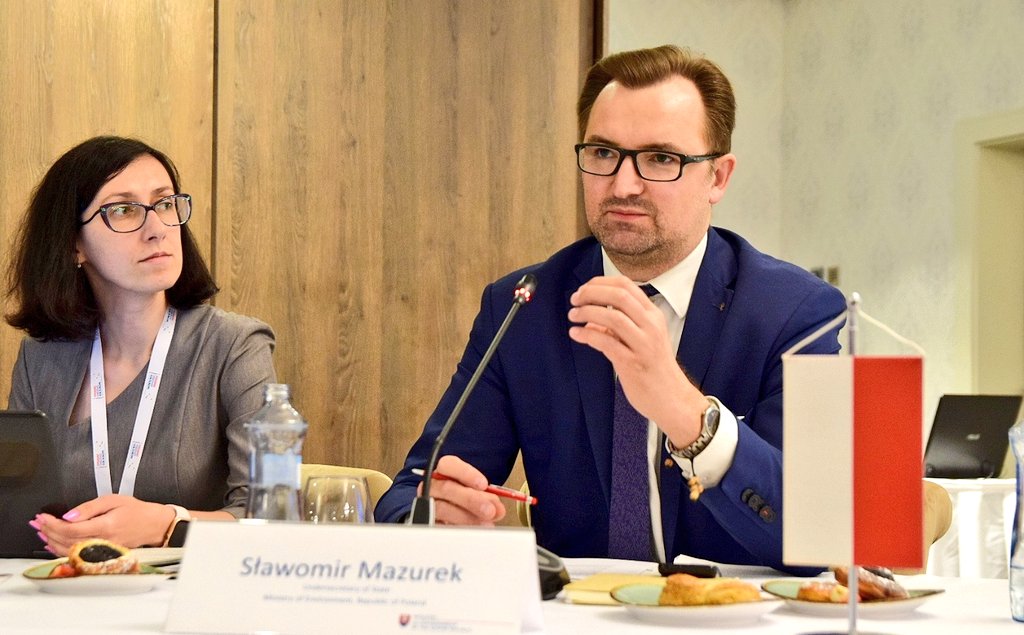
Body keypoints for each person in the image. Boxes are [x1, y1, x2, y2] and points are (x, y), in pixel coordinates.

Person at [375, 45, 846, 571]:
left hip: (734, 611)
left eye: (661, 158)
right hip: (576, 610)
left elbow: (823, 536)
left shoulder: (796, 312)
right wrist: (432, 518)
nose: (623, 185)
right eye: (602, 154)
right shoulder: (524, 307)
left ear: (717, 177)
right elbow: (409, 492)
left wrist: (686, 412)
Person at [4, 136, 276, 556]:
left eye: (164, 204)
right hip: (67, 589)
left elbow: (268, 518)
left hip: (190, 591)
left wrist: (165, 523)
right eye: (123, 210)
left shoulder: (235, 346)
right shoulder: (40, 358)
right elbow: (17, 519)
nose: (157, 229)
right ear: (74, 244)